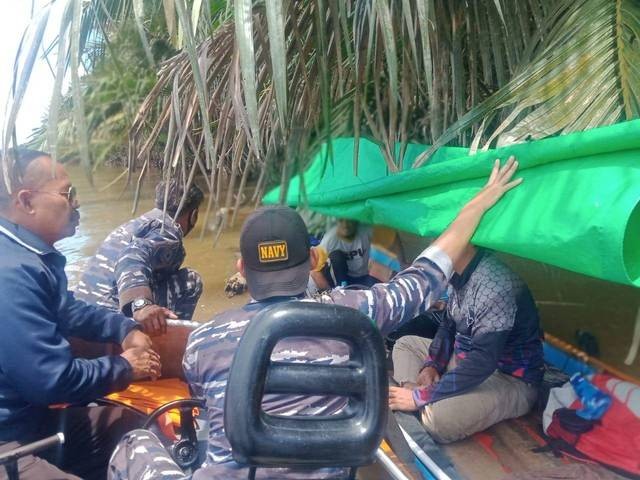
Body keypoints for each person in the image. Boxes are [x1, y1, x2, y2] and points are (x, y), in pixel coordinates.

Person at [109, 157, 523, 479]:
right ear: (311, 259)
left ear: (241, 266)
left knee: (133, 444)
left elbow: (207, 396)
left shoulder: (204, 340)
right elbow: (426, 277)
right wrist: (477, 204)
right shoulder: (355, 310)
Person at [0, 149, 162, 480]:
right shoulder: (11, 272)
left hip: (30, 421)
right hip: (8, 439)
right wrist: (126, 367)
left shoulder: (29, 255)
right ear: (27, 201)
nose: (77, 203)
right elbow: (51, 381)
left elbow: (68, 311)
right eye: (67, 194)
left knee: (133, 427)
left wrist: (124, 328)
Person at [389, 245, 544, 443]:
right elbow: (447, 326)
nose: (435, 244)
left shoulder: (495, 285)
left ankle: (416, 400)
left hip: (507, 378)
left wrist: (421, 397)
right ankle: (412, 393)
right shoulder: (457, 271)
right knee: (405, 344)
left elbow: (483, 362)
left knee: (438, 421)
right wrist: (431, 366)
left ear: (466, 243)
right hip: (465, 360)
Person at [75, 180, 204, 335]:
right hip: (110, 320)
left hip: (82, 315)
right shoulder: (168, 229)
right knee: (191, 281)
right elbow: (130, 256)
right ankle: (167, 342)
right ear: (194, 215)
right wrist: (141, 304)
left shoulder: (140, 222)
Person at [320, 218, 376, 287]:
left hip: (366, 274)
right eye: (341, 220)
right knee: (336, 256)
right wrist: (327, 290)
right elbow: (315, 269)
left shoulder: (366, 231)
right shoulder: (329, 239)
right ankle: (341, 288)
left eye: (349, 220)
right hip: (342, 277)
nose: (345, 225)